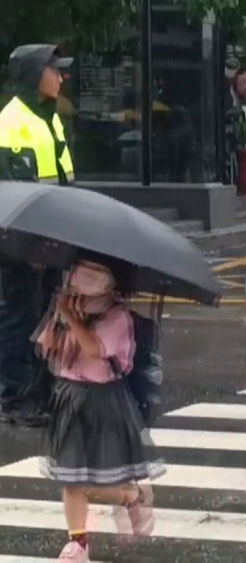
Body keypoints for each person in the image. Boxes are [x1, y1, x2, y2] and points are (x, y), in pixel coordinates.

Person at [34, 257, 163, 562]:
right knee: (71, 477)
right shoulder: (67, 307)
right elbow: (45, 345)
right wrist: (57, 320)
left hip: (103, 400)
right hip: (69, 396)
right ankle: (78, 543)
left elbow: (93, 348)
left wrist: (69, 315)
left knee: (106, 476)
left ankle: (133, 495)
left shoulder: (117, 316)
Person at [0, 44, 76, 426]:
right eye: (54, 70)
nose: (61, 77)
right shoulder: (10, 122)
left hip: (51, 239)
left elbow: (62, 182)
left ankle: (42, 394)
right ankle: (16, 398)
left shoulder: (51, 118)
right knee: (21, 318)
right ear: (34, 75)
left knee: (48, 318)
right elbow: (10, 191)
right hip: (21, 242)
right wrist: (26, 244)